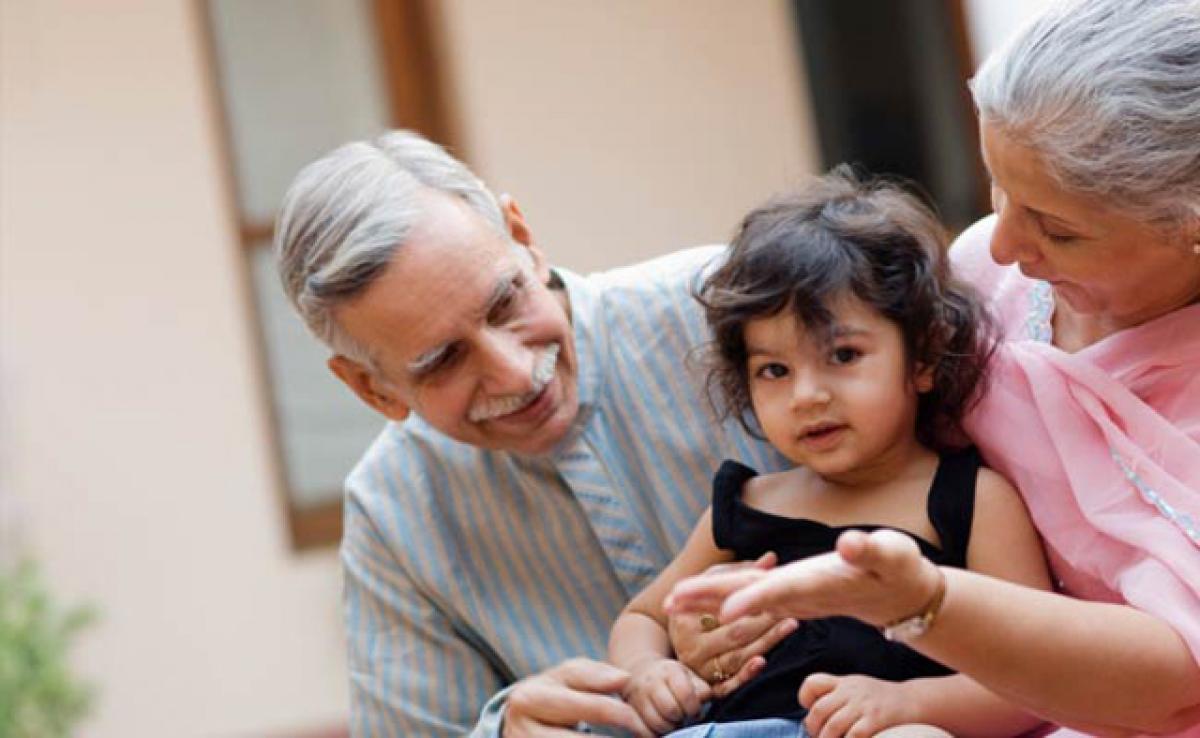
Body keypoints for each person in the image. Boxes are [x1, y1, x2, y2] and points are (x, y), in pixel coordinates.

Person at [664, 0, 1200, 735]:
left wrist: (927, 607)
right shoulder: (983, 272)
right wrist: (713, 638)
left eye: (1060, 230)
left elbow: (1175, 681)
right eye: (1000, 188)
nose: (1003, 245)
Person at [273, 131, 798, 737]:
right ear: (372, 389)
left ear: (523, 238)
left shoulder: (733, 313)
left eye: (504, 304)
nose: (516, 372)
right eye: (442, 360)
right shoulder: (393, 513)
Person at [608, 170, 1050, 738]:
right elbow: (645, 615)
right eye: (774, 370)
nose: (807, 396)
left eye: (843, 355)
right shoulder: (747, 505)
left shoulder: (970, 500)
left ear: (923, 357)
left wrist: (907, 704)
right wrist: (647, 670)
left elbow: (1032, 681)